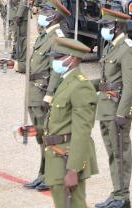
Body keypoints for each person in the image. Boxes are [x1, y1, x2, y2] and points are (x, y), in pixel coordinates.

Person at [42, 37, 98, 208]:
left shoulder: (79, 86)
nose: (54, 61)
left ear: (72, 59)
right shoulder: (66, 81)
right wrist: (36, 129)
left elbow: (82, 131)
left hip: (67, 159)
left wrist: (73, 169)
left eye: (59, 57)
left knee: (74, 205)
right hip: (56, 156)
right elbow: (60, 121)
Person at [21, 0, 69, 192]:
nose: (40, 15)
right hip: (34, 92)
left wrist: (49, 95)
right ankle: (43, 173)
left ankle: (51, 175)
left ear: (54, 16)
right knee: (41, 137)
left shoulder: (57, 38)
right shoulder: (45, 36)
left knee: (48, 136)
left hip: (43, 94)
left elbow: (56, 71)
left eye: (45, 12)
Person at [93, 8, 132, 208]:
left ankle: (122, 196)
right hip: (105, 107)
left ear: (118, 27)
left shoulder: (127, 49)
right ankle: (116, 192)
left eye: (107, 26)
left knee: (120, 152)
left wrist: (122, 112)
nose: (104, 29)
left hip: (117, 108)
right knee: (112, 151)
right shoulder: (112, 47)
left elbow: (129, 85)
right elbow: (106, 80)